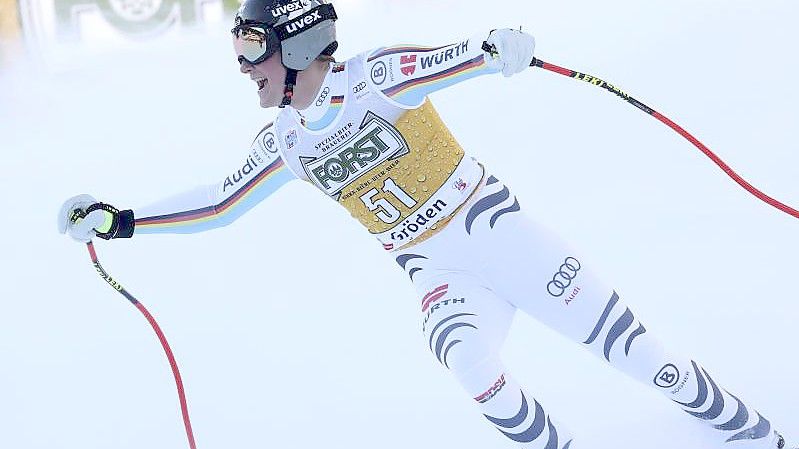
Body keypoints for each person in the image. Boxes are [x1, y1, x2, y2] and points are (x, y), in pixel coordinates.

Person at [57, 1, 792, 448]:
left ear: (298, 44)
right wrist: (121, 221)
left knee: (645, 361)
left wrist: (499, 48)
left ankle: (736, 421)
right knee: (468, 363)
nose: (244, 67)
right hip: (435, 271)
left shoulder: (376, 77)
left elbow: (455, 59)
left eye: (253, 48)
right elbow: (219, 202)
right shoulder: (286, 139)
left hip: (500, 237)